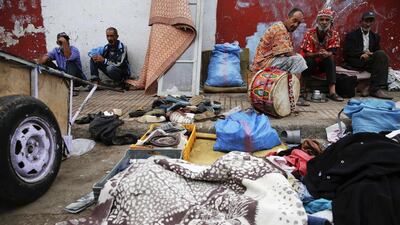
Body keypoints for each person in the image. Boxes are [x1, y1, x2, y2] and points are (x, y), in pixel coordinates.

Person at [251, 7, 308, 106]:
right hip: (263, 64)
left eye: (298, 23)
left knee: (297, 59)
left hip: (267, 62)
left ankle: (288, 93)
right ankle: (293, 96)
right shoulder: (280, 29)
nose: (295, 25)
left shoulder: (284, 30)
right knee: (298, 60)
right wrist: (298, 56)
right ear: (288, 17)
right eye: (294, 21)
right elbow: (287, 53)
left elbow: (287, 53)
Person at [343, 11, 392, 99]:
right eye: (366, 21)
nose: (368, 24)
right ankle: (374, 89)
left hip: (369, 60)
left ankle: (372, 88)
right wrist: (361, 54)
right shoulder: (352, 35)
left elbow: (377, 51)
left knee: (382, 56)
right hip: (356, 60)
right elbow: (348, 51)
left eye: (370, 22)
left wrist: (370, 54)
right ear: (361, 21)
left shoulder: (375, 36)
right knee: (380, 61)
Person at [300, 8, 343, 101]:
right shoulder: (309, 33)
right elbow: (307, 53)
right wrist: (317, 54)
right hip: (312, 63)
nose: (324, 22)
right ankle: (302, 89)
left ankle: (332, 92)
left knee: (330, 58)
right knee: (308, 60)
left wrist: (327, 53)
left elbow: (333, 51)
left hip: (324, 65)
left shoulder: (334, 34)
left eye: (327, 20)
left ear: (330, 22)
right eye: (321, 19)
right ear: (317, 21)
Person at [37, 32, 87, 96]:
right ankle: (52, 86)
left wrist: (64, 43)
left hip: (76, 78)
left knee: (70, 62)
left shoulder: (74, 50)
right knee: (46, 62)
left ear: (68, 41)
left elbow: (68, 57)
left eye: (66, 40)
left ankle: (70, 89)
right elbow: (43, 60)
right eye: (61, 41)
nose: (63, 42)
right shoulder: (56, 50)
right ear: (57, 43)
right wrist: (43, 59)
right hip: (63, 76)